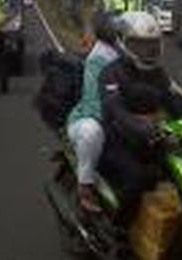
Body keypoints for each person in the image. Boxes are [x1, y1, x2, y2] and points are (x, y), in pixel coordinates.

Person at [97, 11, 182, 223]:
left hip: (151, 141)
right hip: (116, 141)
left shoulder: (158, 74)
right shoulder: (111, 73)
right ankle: (118, 227)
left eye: (151, 45)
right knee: (138, 177)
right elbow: (115, 110)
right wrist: (141, 127)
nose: (147, 51)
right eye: (139, 45)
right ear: (122, 42)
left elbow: (174, 101)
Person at [65, 12, 121, 213]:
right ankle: (85, 186)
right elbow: (96, 104)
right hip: (92, 118)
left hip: (124, 121)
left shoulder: (134, 56)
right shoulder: (99, 58)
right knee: (92, 131)